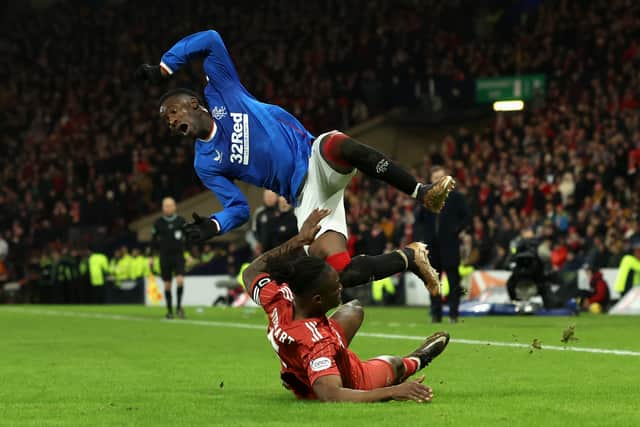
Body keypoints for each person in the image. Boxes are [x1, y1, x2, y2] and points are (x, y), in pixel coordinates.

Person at [136, 29, 455, 295]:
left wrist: (166, 65)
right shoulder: (205, 162)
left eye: (173, 112)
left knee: (337, 143)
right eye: (167, 121)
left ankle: (422, 192)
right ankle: (410, 258)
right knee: (339, 273)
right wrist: (213, 225)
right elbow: (238, 209)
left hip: (313, 157)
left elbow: (210, 38)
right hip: (305, 197)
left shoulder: (222, 89)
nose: (171, 121)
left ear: (193, 103)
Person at [242, 208, 450, 402]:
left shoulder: (279, 298)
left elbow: (250, 272)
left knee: (354, 309)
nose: (341, 287)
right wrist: (395, 391)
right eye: (335, 287)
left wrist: (299, 240)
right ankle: (418, 359)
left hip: (303, 348)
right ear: (317, 299)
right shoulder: (316, 342)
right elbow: (331, 394)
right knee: (395, 365)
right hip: (353, 377)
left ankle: (299, 369)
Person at [414, 166, 471, 323]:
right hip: (432, 246)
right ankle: (436, 314)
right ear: (431, 181)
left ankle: (454, 314)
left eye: (441, 177)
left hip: (450, 245)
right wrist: (421, 239)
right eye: (435, 178)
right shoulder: (427, 198)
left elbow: (467, 217)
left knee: (453, 281)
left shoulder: (456, 197)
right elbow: (418, 221)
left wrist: (457, 230)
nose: (438, 180)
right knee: (433, 281)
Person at [151, 197, 187, 319]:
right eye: (166, 205)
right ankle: (169, 311)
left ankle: (179, 308)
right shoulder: (158, 223)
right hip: (164, 257)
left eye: (171, 205)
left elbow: (189, 237)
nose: (168, 207)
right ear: (163, 208)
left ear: (175, 207)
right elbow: (153, 241)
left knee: (180, 280)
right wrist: (151, 256)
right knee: (167, 285)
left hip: (178, 256)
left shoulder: (181, 221)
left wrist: (191, 254)